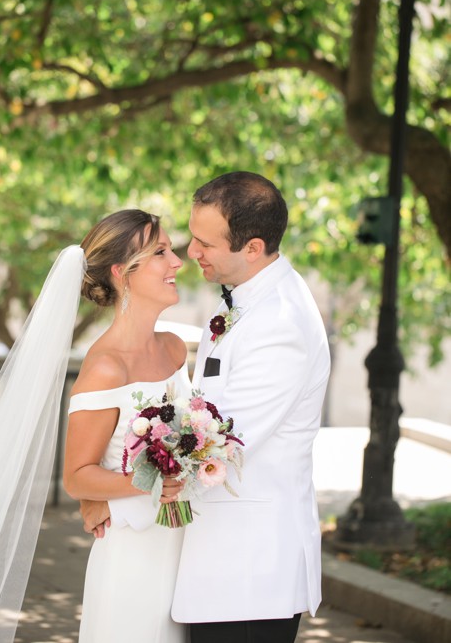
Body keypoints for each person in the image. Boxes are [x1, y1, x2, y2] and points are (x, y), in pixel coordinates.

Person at [83, 172, 330, 643]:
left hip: (250, 570)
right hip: (214, 566)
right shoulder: (249, 303)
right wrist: (96, 486)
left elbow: (214, 446)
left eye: (204, 243)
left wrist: (108, 492)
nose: (190, 253)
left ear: (252, 248)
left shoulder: (279, 323)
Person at [0, 208, 188, 643]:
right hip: (134, 553)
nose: (177, 262)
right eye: (161, 252)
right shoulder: (105, 368)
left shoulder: (176, 348)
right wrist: (155, 482)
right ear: (123, 273)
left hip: (187, 545)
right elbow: (77, 476)